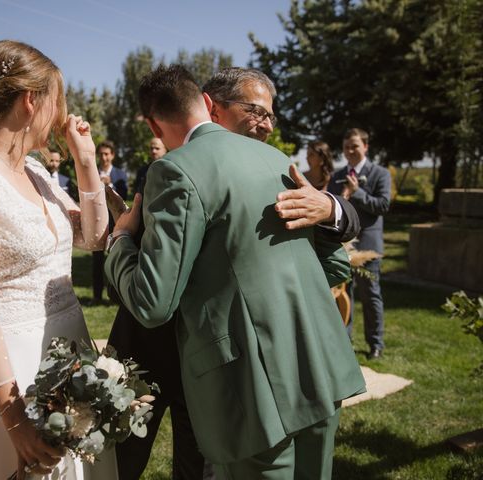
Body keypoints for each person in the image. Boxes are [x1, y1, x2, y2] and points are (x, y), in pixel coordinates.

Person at [104, 65, 365, 479]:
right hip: (319, 368)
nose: (264, 122)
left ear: (153, 124)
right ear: (208, 104)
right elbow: (333, 265)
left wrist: (119, 242)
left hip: (255, 388)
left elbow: (153, 302)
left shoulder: (174, 170)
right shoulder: (277, 160)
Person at [0, 40, 116, 479]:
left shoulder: (34, 171)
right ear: (31, 101)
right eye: (58, 101)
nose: (62, 114)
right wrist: (14, 417)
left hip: (71, 351)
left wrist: (86, 162)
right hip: (14, 367)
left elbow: (94, 236)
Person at [107, 135, 207, 480]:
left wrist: (120, 240)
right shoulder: (142, 229)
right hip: (143, 354)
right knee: (126, 452)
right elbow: (117, 291)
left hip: (190, 354)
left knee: (193, 458)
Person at [203, 67, 359, 241]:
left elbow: (330, 244)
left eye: (270, 117)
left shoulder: (281, 173)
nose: (268, 127)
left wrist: (329, 208)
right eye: (256, 111)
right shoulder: (183, 173)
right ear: (214, 110)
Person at [328, 128, 391, 360]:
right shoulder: (337, 176)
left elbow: (383, 205)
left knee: (371, 294)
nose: (350, 151)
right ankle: (344, 340)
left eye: (355, 146)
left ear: (365, 146)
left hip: (368, 244)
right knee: (343, 294)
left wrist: (358, 192)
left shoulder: (380, 174)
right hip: (343, 244)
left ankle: (376, 344)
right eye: (346, 147)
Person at [91, 140, 127, 304]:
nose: (104, 157)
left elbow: (125, 195)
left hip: (115, 221)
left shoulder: (120, 174)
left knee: (115, 257)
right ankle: (97, 296)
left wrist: (109, 184)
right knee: (97, 259)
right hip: (97, 220)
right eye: (101, 154)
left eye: (107, 154)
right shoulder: (92, 172)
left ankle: (115, 295)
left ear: (112, 155)